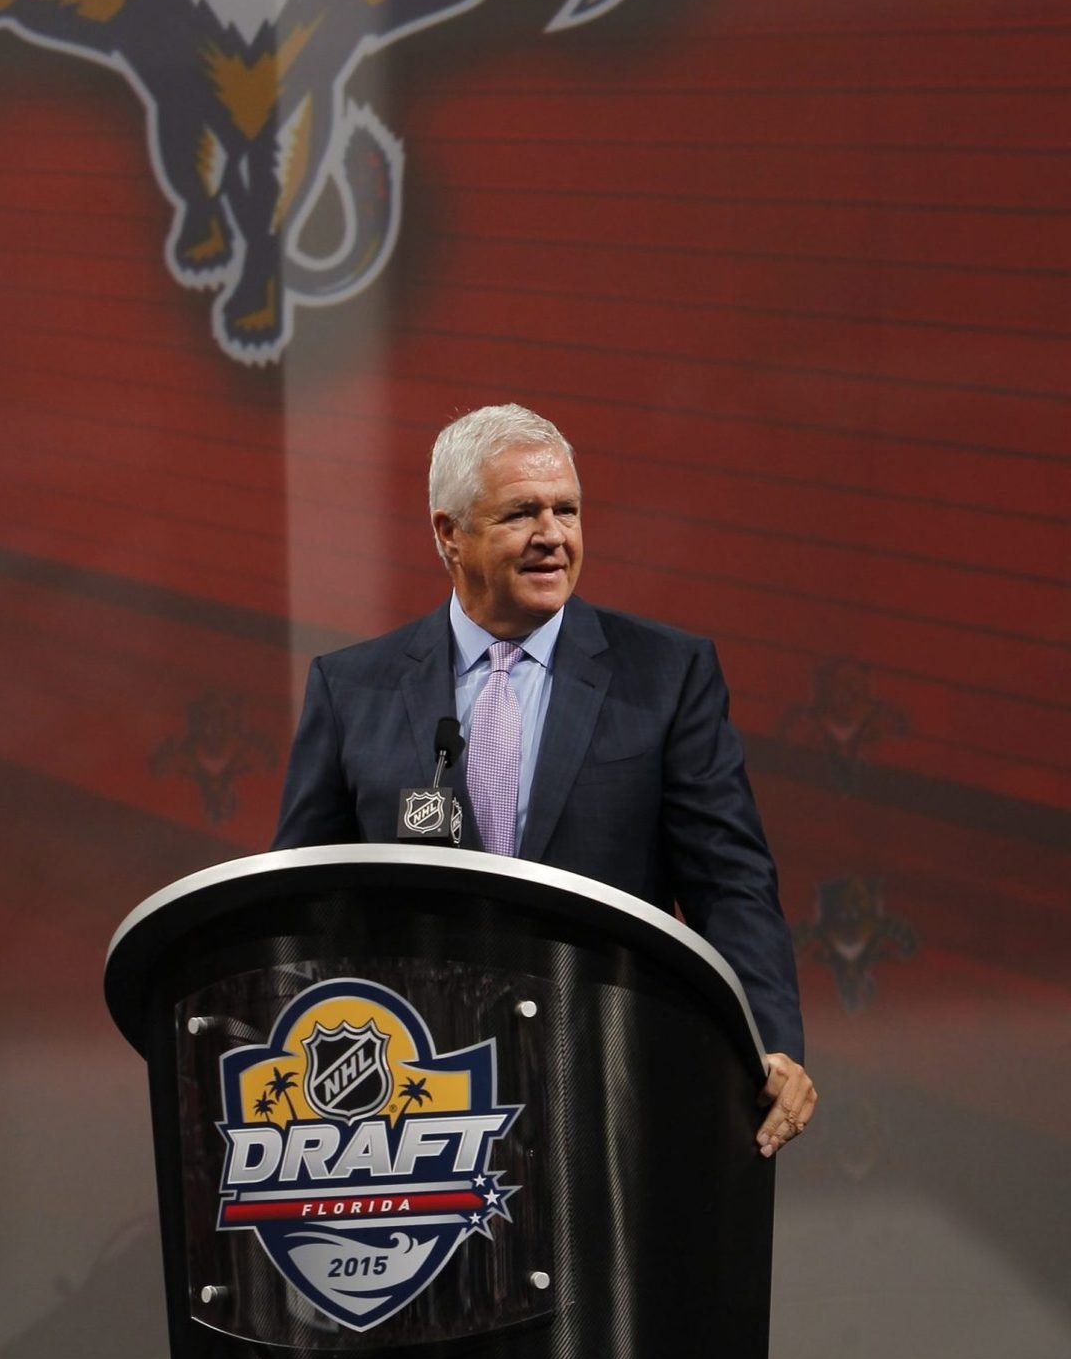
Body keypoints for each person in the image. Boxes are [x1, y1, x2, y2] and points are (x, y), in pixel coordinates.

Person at [274, 403, 817, 1157]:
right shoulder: (351, 690)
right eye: (521, 513)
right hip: (413, 1105)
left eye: (567, 510)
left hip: (612, 1081)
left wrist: (768, 1039)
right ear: (449, 533)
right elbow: (302, 907)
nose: (553, 535)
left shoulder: (666, 675)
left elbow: (730, 882)